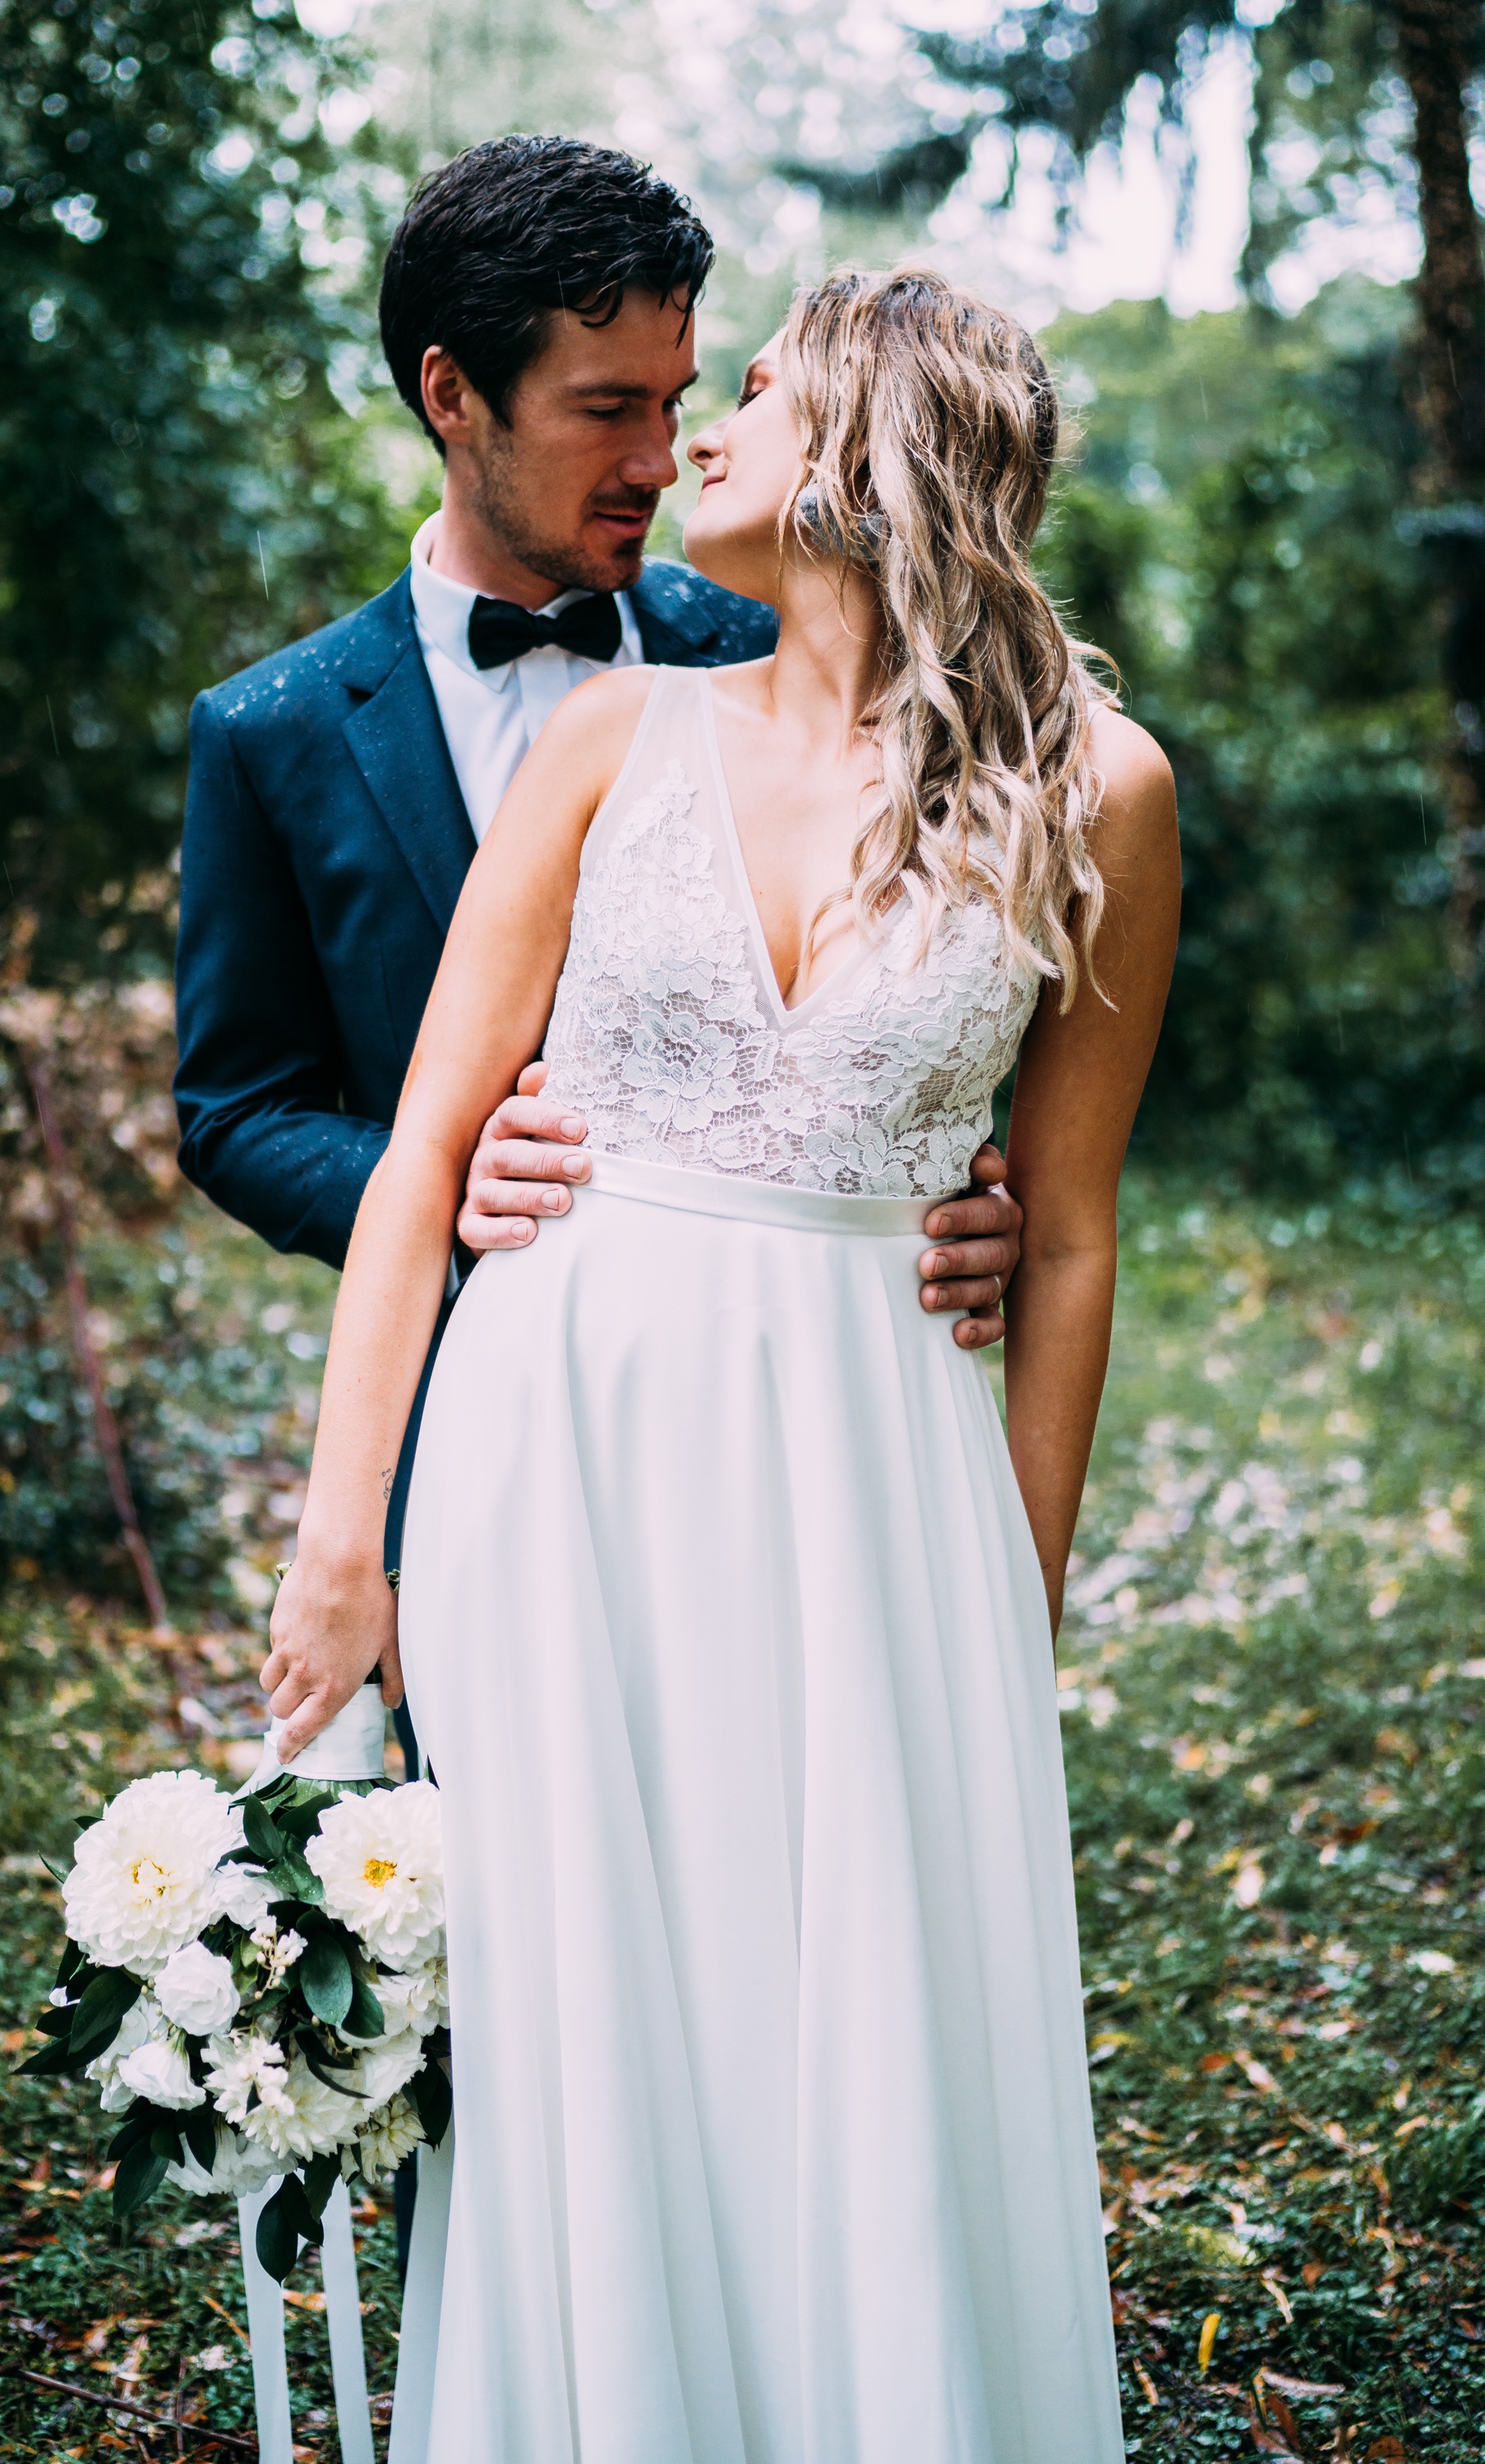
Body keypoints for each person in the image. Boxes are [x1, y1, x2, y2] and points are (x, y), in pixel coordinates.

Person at [265, 265, 1179, 2460]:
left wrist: (1006, 1595)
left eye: (749, 392)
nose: (692, 437)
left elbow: (1061, 1237)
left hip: (878, 1466)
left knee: (855, 2009)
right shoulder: (613, 736)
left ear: (871, 452)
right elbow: (418, 1161)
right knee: (599, 2009)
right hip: (556, 1451)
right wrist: (339, 1541)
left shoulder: (1102, 792)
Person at [173, 140, 1026, 1746]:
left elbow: (946, 957)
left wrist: (983, 1195)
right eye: (604, 407)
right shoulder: (271, 732)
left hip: (795, 1440)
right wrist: (433, 1183)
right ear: (452, 396)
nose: (662, 451)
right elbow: (230, 1102)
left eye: (679, 394)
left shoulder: (774, 638)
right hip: (465, 1414)